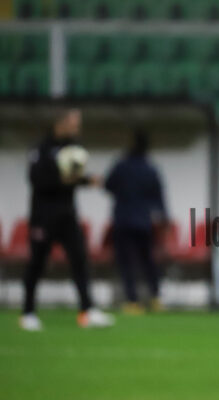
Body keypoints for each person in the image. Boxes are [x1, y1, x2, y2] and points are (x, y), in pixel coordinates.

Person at [21, 108, 115, 331]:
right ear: (60, 123)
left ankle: (87, 310)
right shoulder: (42, 149)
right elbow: (37, 180)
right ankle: (28, 312)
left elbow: (73, 178)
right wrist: (65, 179)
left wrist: (87, 180)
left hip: (67, 215)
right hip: (43, 216)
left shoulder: (75, 148)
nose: (77, 127)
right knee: (37, 263)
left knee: (80, 260)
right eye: (74, 123)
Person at [105, 130, 167, 314]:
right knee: (148, 261)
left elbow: (108, 185)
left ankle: (132, 301)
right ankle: (155, 298)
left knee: (126, 262)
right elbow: (159, 197)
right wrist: (163, 218)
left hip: (123, 220)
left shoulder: (121, 166)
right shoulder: (150, 169)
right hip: (143, 222)